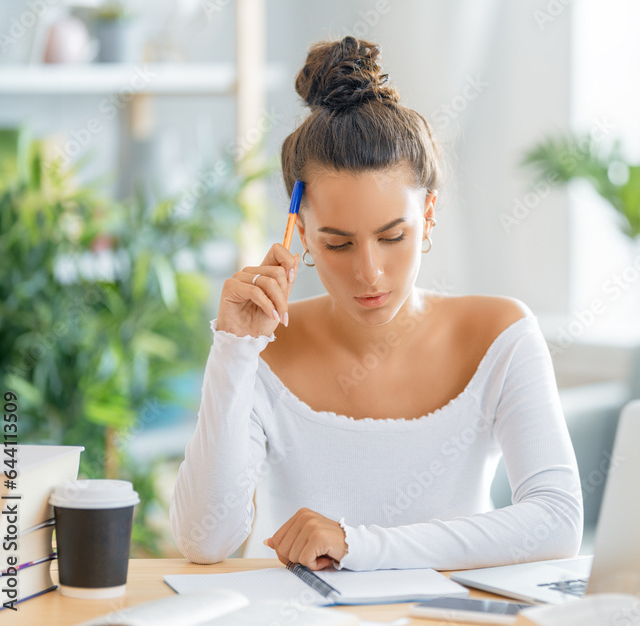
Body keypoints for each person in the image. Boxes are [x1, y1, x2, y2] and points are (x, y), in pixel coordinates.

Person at [169, 36, 583, 572]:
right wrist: (233, 350)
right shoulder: (265, 347)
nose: (370, 272)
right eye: (338, 243)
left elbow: (556, 520)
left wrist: (358, 546)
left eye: (392, 237)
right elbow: (205, 541)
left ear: (428, 214)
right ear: (302, 235)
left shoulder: (500, 334)